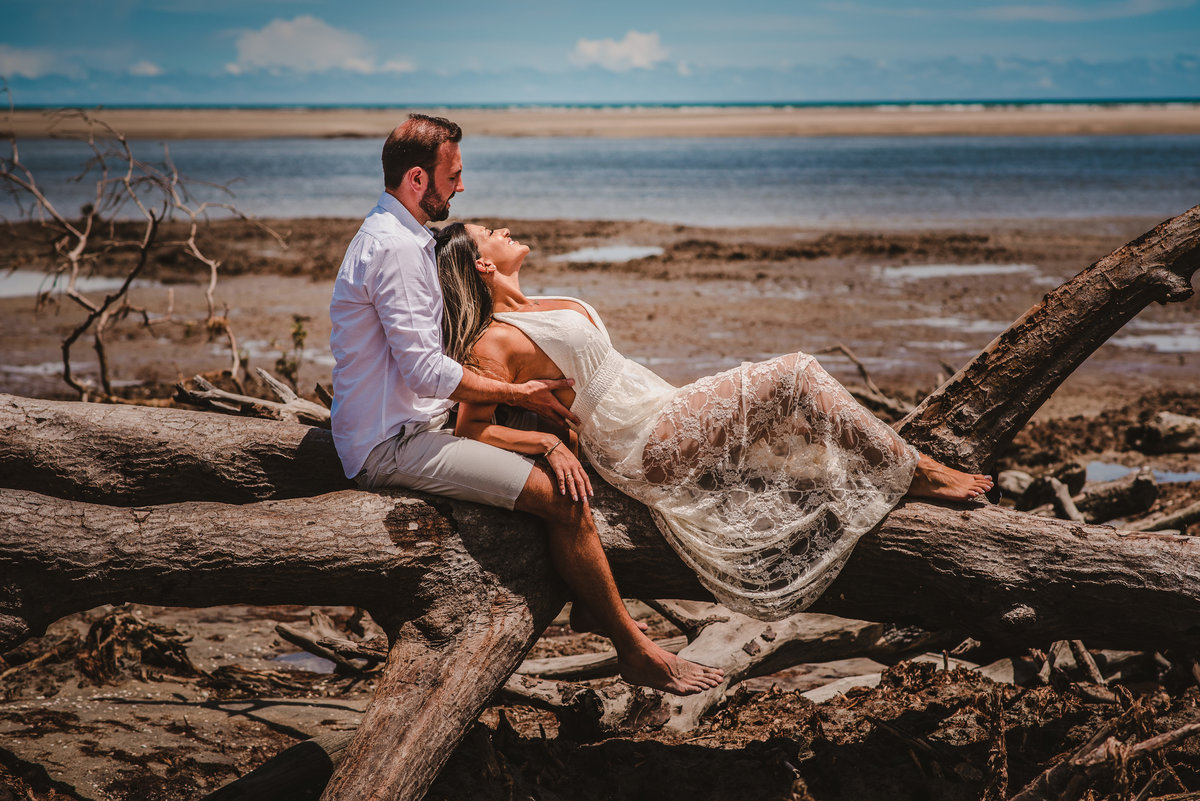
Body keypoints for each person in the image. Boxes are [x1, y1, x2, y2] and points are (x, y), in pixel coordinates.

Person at [329, 114, 723, 695]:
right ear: (418, 179)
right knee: (563, 503)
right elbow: (426, 371)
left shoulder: (404, 239)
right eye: (452, 175)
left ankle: (591, 606)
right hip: (390, 446)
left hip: (413, 424)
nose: (460, 188)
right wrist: (519, 395)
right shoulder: (395, 250)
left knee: (550, 428)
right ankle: (633, 650)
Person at [434, 222, 994, 620]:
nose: (504, 230)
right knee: (796, 374)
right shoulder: (492, 342)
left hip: (658, 407)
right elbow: (469, 429)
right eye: (491, 233)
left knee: (794, 418)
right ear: (482, 263)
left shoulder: (539, 303)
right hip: (641, 442)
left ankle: (892, 467)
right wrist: (544, 444)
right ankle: (917, 470)